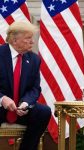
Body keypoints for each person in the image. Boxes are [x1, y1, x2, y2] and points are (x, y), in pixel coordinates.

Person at [0, 21, 51, 150]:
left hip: (21, 109)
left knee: (43, 112)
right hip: (0, 106)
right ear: (14, 40)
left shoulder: (34, 59)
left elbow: (34, 88)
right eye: (28, 38)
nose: (32, 42)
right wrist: (2, 98)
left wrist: (26, 103)